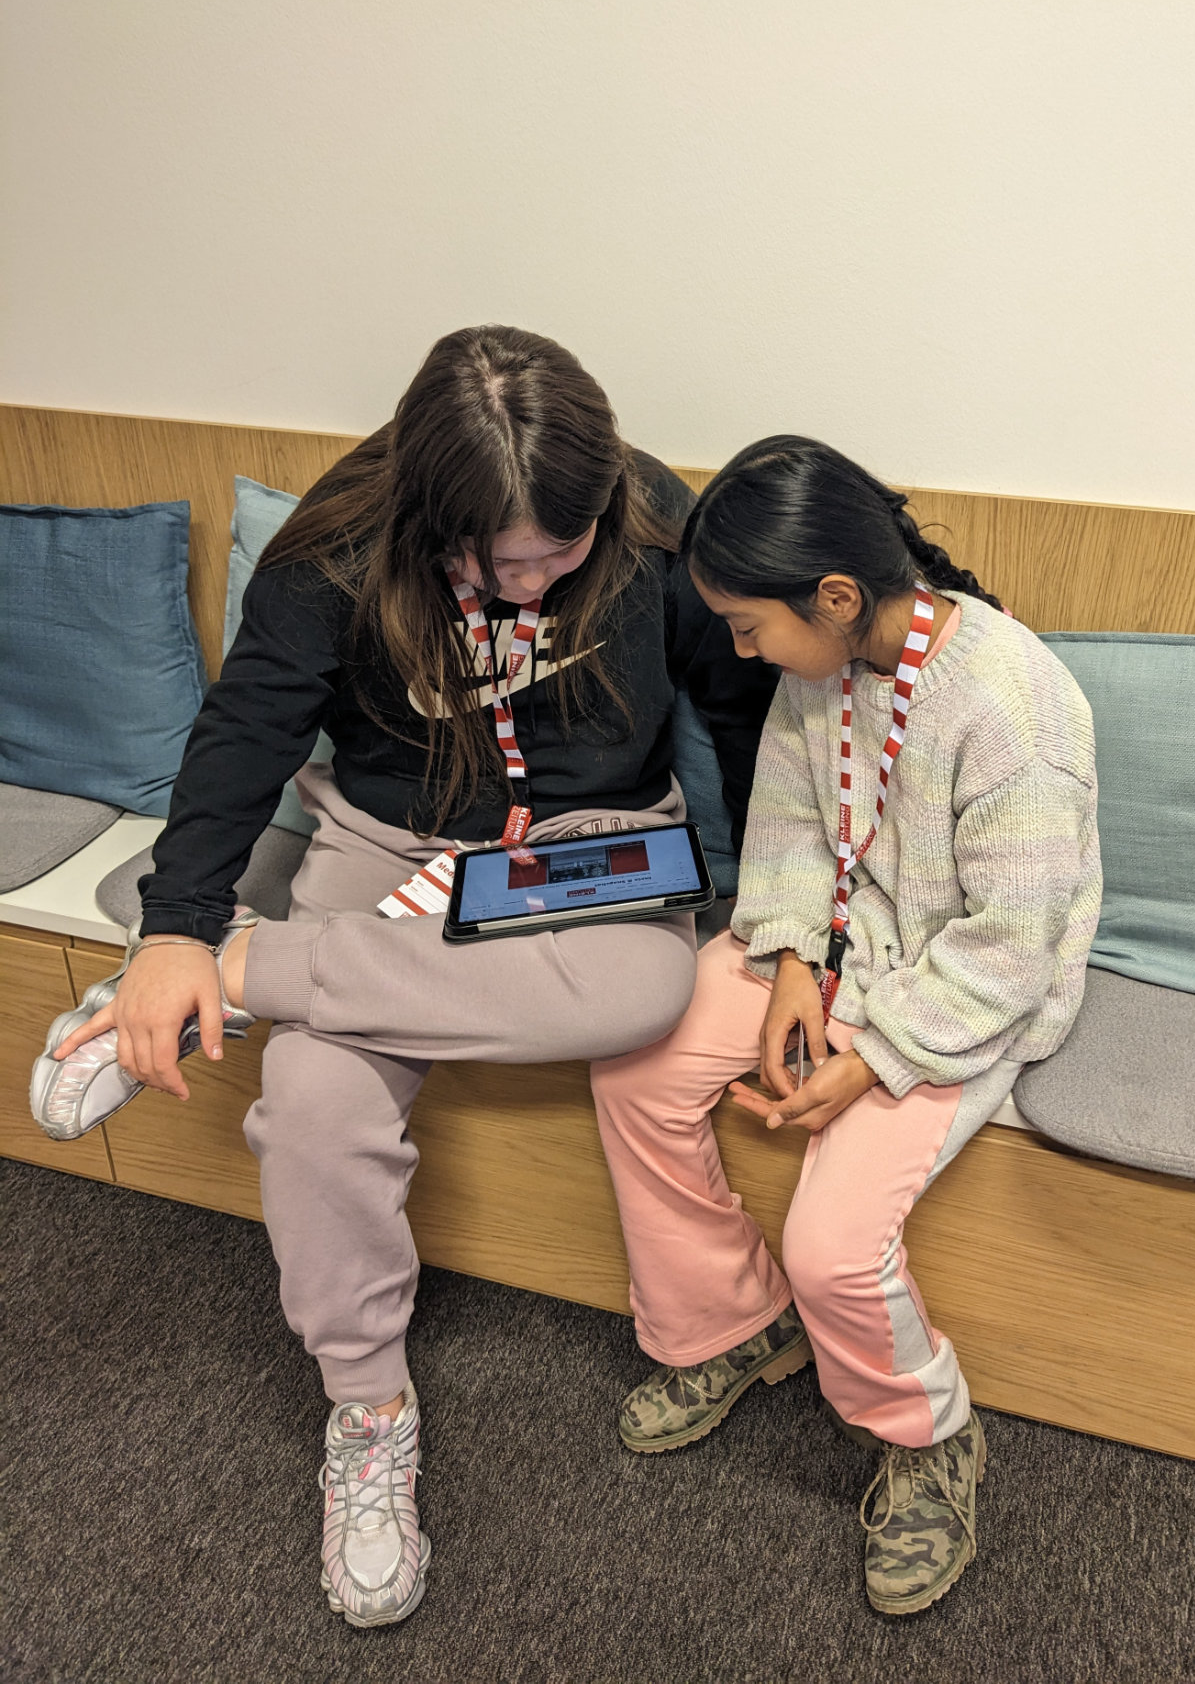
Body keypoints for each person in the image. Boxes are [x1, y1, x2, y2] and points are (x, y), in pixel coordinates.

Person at [29, 326, 777, 1630]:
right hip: (391, 843)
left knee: (649, 994)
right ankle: (367, 1407)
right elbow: (245, 732)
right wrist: (172, 925)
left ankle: (255, 969)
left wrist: (781, 909)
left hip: (594, 851)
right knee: (315, 1101)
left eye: (560, 550)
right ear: (432, 520)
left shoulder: (655, 527)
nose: (534, 581)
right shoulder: (333, 553)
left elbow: (745, 713)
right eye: (501, 561)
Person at [589, 435, 1101, 1617]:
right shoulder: (827, 660)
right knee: (637, 1073)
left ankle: (929, 1434)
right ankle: (730, 1318)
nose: (739, 649)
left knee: (830, 1244)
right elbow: (785, 818)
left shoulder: (1014, 709)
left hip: (958, 996)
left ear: (832, 595)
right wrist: (789, 965)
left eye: (747, 626)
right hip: (836, 941)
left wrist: (870, 1057)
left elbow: (1011, 945)